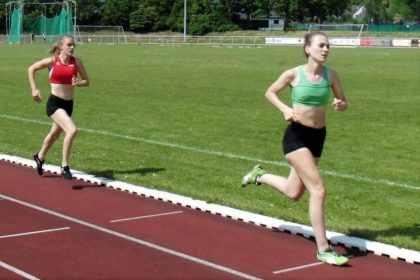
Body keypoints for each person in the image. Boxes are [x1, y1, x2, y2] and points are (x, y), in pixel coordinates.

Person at [241, 32, 349, 266]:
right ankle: (323, 249)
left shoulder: (331, 75)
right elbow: (270, 92)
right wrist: (284, 109)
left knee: (293, 192)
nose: (326, 49)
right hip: (296, 138)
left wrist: (341, 104)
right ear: (307, 49)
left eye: (328, 46)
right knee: (318, 190)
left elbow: (343, 101)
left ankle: (259, 175)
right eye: (321, 45)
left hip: (318, 137)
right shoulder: (293, 74)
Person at [28, 35, 89, 180]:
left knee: (55, 135)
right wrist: (34, 89)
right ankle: (64, 165)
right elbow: (31, 69)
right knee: (72, 130)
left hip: (68, 105)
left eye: (73, 45)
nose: (72, 48)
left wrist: (78, 83)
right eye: (69, 45)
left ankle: (40, 156)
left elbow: (87, 81)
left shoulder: (77, 62)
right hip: (54, 104)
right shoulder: (52, 62)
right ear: (61, 46)